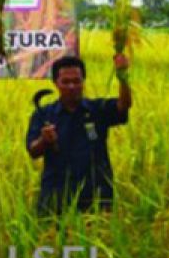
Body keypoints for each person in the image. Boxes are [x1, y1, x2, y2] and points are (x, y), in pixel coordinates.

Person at [27, 53, 131, 214]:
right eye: (65, 82)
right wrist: (44, 140)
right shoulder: (44, 114)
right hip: (56, 194)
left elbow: (123, 105)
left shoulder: (98, 109)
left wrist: (123, 76)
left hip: (96, 192)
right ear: (55, 83)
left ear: (83, 81)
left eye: (76, 81)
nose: (71, 86)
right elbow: (33, 150)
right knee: (52, 238)